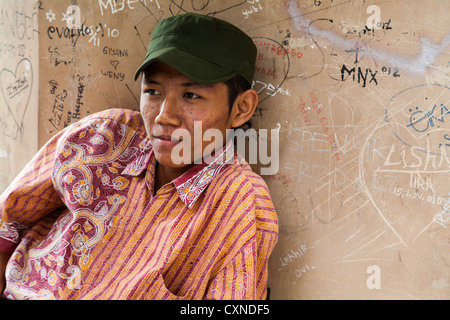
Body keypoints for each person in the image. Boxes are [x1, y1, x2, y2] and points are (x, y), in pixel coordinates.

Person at [0, 13, 278, 300]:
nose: (163, 116)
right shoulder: (104, 136)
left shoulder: (239, 200)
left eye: (191, 96)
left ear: (241, 108)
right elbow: (7, 220)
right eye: (153, 91)